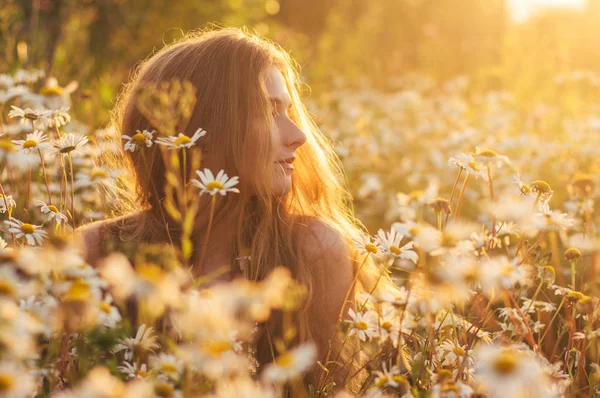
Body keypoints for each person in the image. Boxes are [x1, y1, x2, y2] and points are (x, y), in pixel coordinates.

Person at [78, 27, 379, 393]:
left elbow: (334, 389)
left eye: (288, 110)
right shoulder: (94, 254)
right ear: (201, 128)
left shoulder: (312, 252)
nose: (298, 134)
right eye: (269, 112)